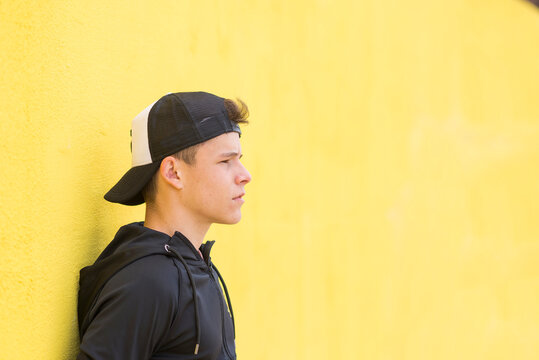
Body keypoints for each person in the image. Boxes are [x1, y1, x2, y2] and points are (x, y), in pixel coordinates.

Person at [77, 92, 252, 360]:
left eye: (239, 159)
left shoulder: (195, 266)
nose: (244, 175)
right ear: (173, 172)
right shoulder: (147, 282)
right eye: (225, 161)